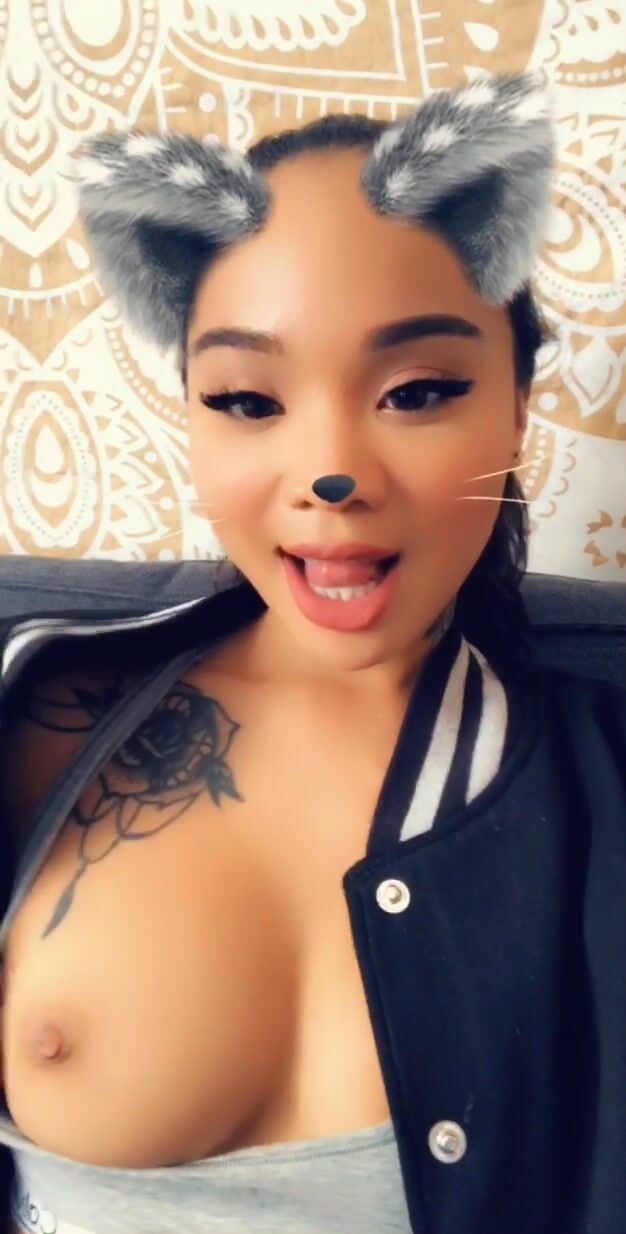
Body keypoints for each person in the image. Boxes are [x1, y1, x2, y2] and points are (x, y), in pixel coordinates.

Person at [0, 68, 624, 1234]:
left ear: (513, 409)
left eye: (417, 390)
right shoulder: (37, 708)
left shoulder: (595, 790)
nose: (330, 473)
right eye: (247, 400)